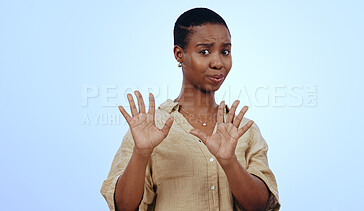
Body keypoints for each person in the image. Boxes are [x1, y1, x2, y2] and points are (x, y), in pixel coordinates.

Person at [101, 7, 280, 211]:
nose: (218, 62)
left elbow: (261, 206)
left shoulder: (243, 130)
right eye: (204, 51)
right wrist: (142, 153)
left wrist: (230, 162)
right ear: (179, 54)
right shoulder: (150, 127)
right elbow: (123, 207)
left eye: (225, 51)